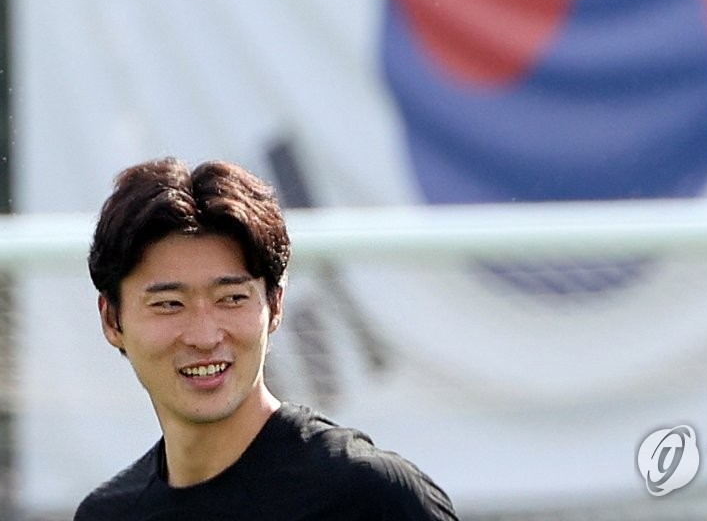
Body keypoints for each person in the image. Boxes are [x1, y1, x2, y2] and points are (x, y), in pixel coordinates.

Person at [74, 157, 459, 520]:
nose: (205, 337)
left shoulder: (373, 499)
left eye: (232, 299)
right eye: (170, 304)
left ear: (275, 305)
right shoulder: (108, 514)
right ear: (112, 320)